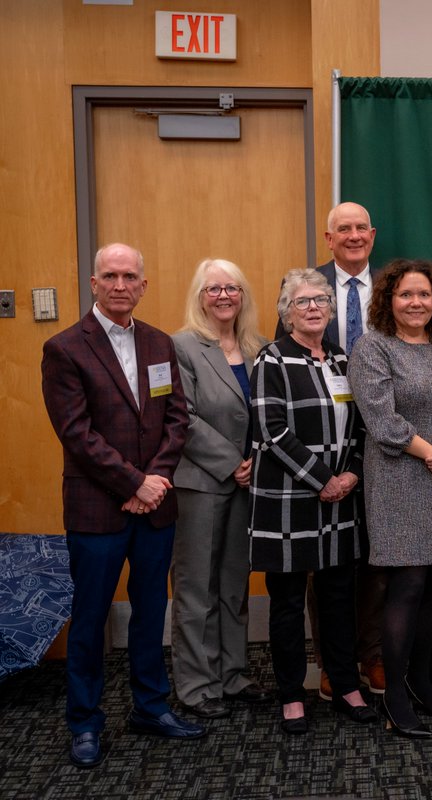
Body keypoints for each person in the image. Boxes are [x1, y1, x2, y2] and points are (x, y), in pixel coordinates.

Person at [42, 243, 202, 769]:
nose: (119, 284)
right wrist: (135, 482)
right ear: (93, 284)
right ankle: (85, 723)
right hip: (97, 510)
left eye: (129, 276)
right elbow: (76, 433)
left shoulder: (159, 342)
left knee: (150, 610)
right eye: (109, 275)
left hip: (155, 506)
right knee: (90, 620)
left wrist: (155, 480)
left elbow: (177, 417)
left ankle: (150, 708)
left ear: (143, 285)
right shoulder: (65, 348)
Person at [349, 259, 432, 739]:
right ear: (388, 301)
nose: (416, 303)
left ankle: (421, 682)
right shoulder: (373, 347)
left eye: (424, 295)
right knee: (407, 587)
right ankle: (394, 694)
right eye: (405, 295)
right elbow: (380, 419)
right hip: (401, 478)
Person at [249, 268, 376, 735]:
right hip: (289, 499)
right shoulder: (273, 359)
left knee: (338, 600)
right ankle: (290, 695)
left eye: (321, 299)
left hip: (340, 498)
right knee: (285, 603)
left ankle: (344, 685)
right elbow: (273, 430)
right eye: (302, 301)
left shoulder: (344, 359)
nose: (314, 307)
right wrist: (323, 479)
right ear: (287, 311)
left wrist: (352, 475)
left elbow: (364, 427)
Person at [274, 201, 388, 698]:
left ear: (373, 233)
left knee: (378, 556)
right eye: (344, 228)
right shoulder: (304, 289)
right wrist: (321, 471)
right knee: (328, 564)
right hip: (323, 451)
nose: (354, 235)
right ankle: (331, 662)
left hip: (385, 439)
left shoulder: (393, 288)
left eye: (362, 227)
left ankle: (373, 654)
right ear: (328, 237)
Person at [170, 258, 269, 720]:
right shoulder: (183, 346)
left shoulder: (258, 347)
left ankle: (233, 675)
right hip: (202, 484)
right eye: (214, 289)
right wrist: (233, 465)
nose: (224, 296)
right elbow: (181, 418)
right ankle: (196, 685)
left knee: (233, 584)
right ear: (200, 296)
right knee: (196, 588)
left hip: (252, 484)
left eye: (232, 288)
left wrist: (256, 467)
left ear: (243, 295)